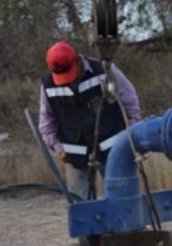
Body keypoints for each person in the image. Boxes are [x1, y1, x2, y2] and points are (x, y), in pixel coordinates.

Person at [38, 40, 141, 200]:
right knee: (81, 209)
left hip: (114, 150)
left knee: (122, 201)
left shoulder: (104, 71)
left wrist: (131, 133)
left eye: (70, 74)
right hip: (75, 157)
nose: (68, 81)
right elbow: (46, 124)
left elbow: (129, 101)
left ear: (77, 60)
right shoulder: (48, 86)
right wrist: (58, 148)